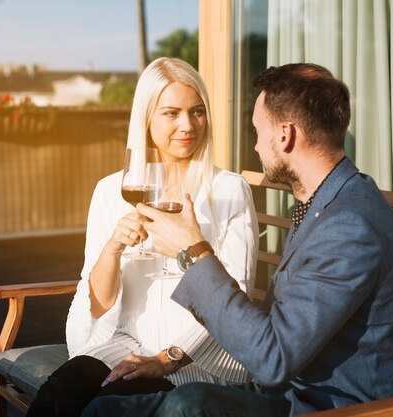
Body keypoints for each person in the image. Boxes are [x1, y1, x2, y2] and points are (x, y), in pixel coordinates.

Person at [81, 63, 393, 417]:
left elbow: (273, 360)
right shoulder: (328, 200)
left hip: (331, 407)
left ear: (284, 135)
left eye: (257, 131)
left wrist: (193, 251)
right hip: (287, 393)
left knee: (184, 405)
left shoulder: (349, 226)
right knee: (104, 410)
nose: (254, 146)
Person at [25, 57, 259, 417]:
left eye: (197, 112)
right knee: (65, 390)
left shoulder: (229, 191)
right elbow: (97, 300)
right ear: (146, 118)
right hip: (129, 343)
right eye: (171, 113)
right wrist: (114, 248)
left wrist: (167, 358)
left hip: (196, 359)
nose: (187, 125)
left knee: (105, 406)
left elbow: (235, 295)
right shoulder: (110, 191)